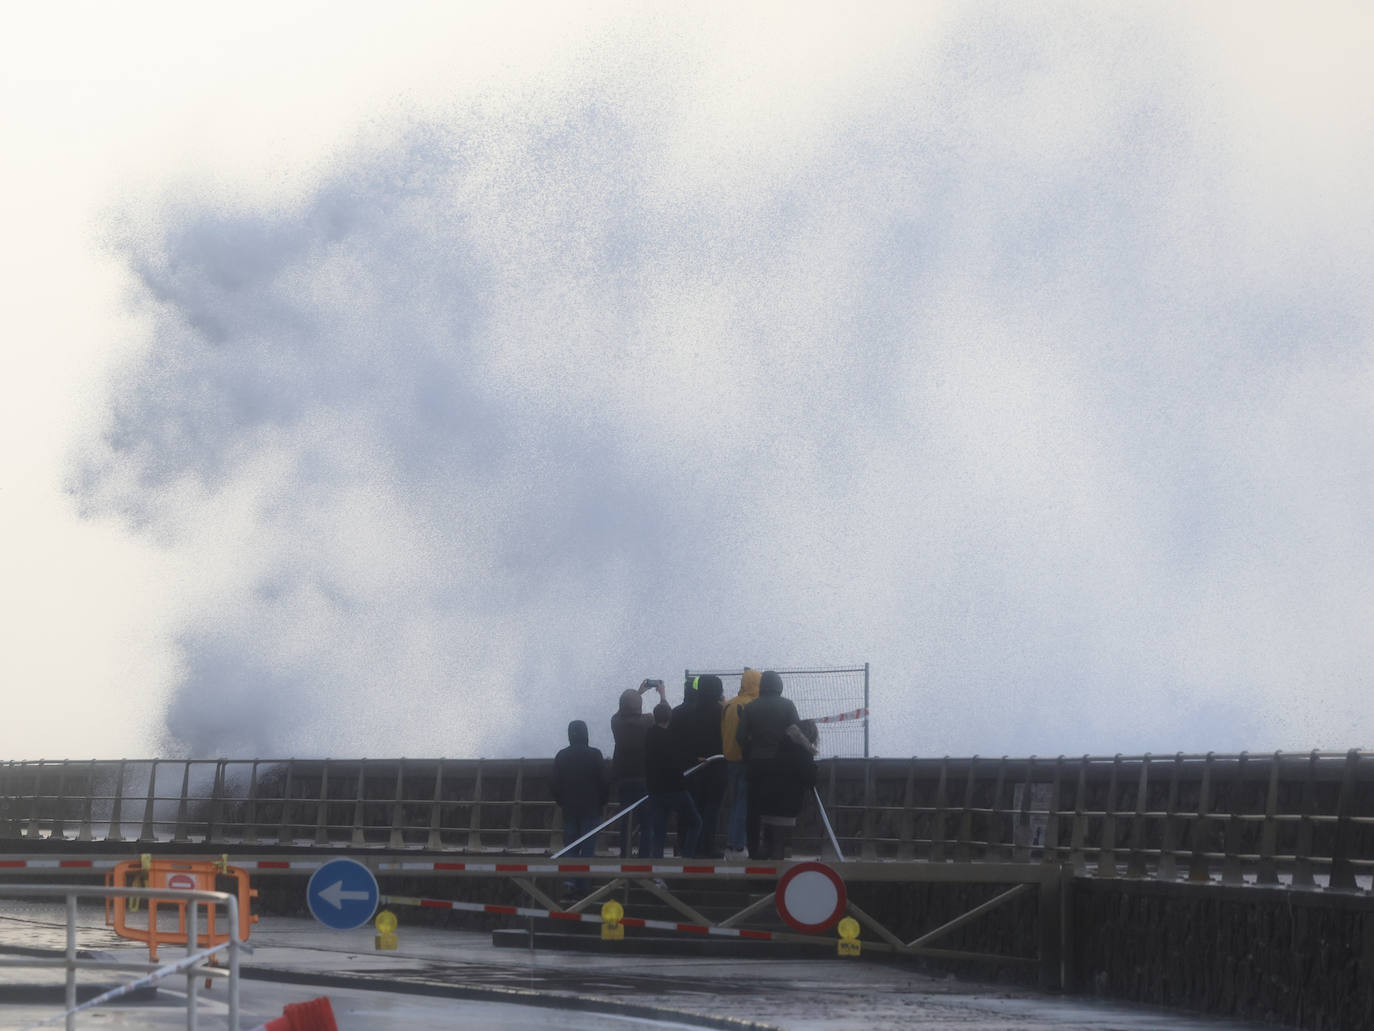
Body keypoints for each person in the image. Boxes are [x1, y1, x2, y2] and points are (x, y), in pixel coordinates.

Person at [736, 669, 815, 859]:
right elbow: (796, 732)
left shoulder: (751, 707)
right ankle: (775, 848)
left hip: (756, 764)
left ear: (762, 686)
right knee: (776, 808)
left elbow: (740, 736)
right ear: (779, 686)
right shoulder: (787, 705)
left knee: (754, 808)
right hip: (780, 764)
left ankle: (754, 849)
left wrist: (749, 753)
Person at [551, 720, 608, 898]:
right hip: (591, 809)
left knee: (571, 848)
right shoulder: (595, 755)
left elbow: (554, 785)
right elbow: (604, 782)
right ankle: (584, 886)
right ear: (586, 734)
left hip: (570, 810)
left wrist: (562, 801)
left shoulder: (561, 756)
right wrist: (601, 802)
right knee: (587, 849)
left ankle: (569, 883)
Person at [610, 679, 666, 857]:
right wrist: (662, 695)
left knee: (626, 820)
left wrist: (638, 692)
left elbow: (621, 711)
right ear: (639, 706)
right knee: (647, 822)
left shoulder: (616, 722)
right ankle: (643, 857)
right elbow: (665, 717)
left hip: (623, 778)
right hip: (644, 778)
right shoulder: (647, 721)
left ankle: (625, 855)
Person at [643, 702, 701, 859]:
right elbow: (680, 760)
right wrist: (696, 759)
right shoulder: (671, 737)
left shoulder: (649, 736)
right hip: (675, 789)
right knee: (695, 822)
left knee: (659, 832)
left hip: (655, 790)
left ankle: (656, 865)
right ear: (669, 717)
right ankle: (687, 857)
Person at [758, 719, 819, 860]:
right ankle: (776, 871)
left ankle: (759, 871)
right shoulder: (803, 751)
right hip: (786, 804)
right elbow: (810, 779)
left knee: (767, 843)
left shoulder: (781, 745)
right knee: (779, 846)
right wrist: (814, 768)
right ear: (810, 735)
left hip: (767, 800)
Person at [685, 675, 727, 857]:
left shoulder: (691, 711)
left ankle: (694, 846)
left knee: (697, 808)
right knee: (713, 808)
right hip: (717, 764)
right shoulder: (722, 711)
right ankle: (708, 846)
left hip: (695, 767)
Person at [720, 668, 760, 860]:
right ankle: (738, 845)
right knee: (743, 806)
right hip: (745, 760)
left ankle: (731, 842)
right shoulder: (751, 706)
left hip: (729, 760)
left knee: (735, 804)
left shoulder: (728, 704)